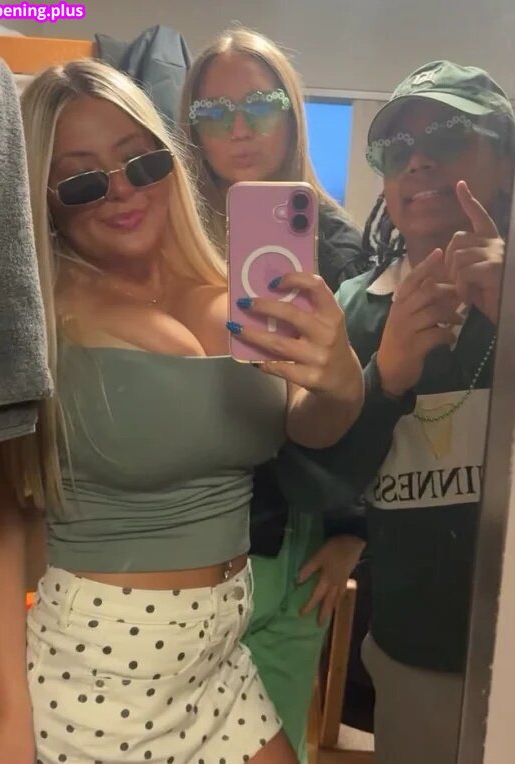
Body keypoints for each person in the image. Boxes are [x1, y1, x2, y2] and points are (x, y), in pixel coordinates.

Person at [0, 59, 364, 764]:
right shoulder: (40, 322)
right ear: (44, 198)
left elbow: (307, 424)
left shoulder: (234, 289)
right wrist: (8, 713)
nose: (122, 191)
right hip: (97, 671)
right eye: (82, 181)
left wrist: (341, 381)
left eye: (140, 162)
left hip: (220, 662)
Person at [181, 27, 367, 761]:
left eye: (260, 105)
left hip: (285, 529)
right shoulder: (170, 235)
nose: (238, 129)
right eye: (213, 111)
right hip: (183, 519)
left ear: (292, 114)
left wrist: (355, 529)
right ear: (191, 128)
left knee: (274, 734)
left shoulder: (340, 246)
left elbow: (370, 396)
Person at [326, 60, 514, 763]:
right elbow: (329, 481)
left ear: (506, 160)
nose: (418, 160)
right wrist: (386, 379)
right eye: (397, 148)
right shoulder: (353, 309)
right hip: (413, 654)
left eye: (448, 135)